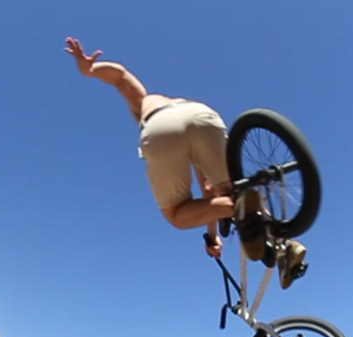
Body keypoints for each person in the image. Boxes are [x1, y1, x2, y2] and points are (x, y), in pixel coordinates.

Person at [63, 37, 306, 288]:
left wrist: (89, 70)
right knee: (232, 191)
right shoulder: (175, 101)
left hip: (161, 124)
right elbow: (209, 190)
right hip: (203, 116)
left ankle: (238, 209)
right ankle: (285, 246)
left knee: (177, 214)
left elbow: (121, 78)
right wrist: (213, 236)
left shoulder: (144, 104)